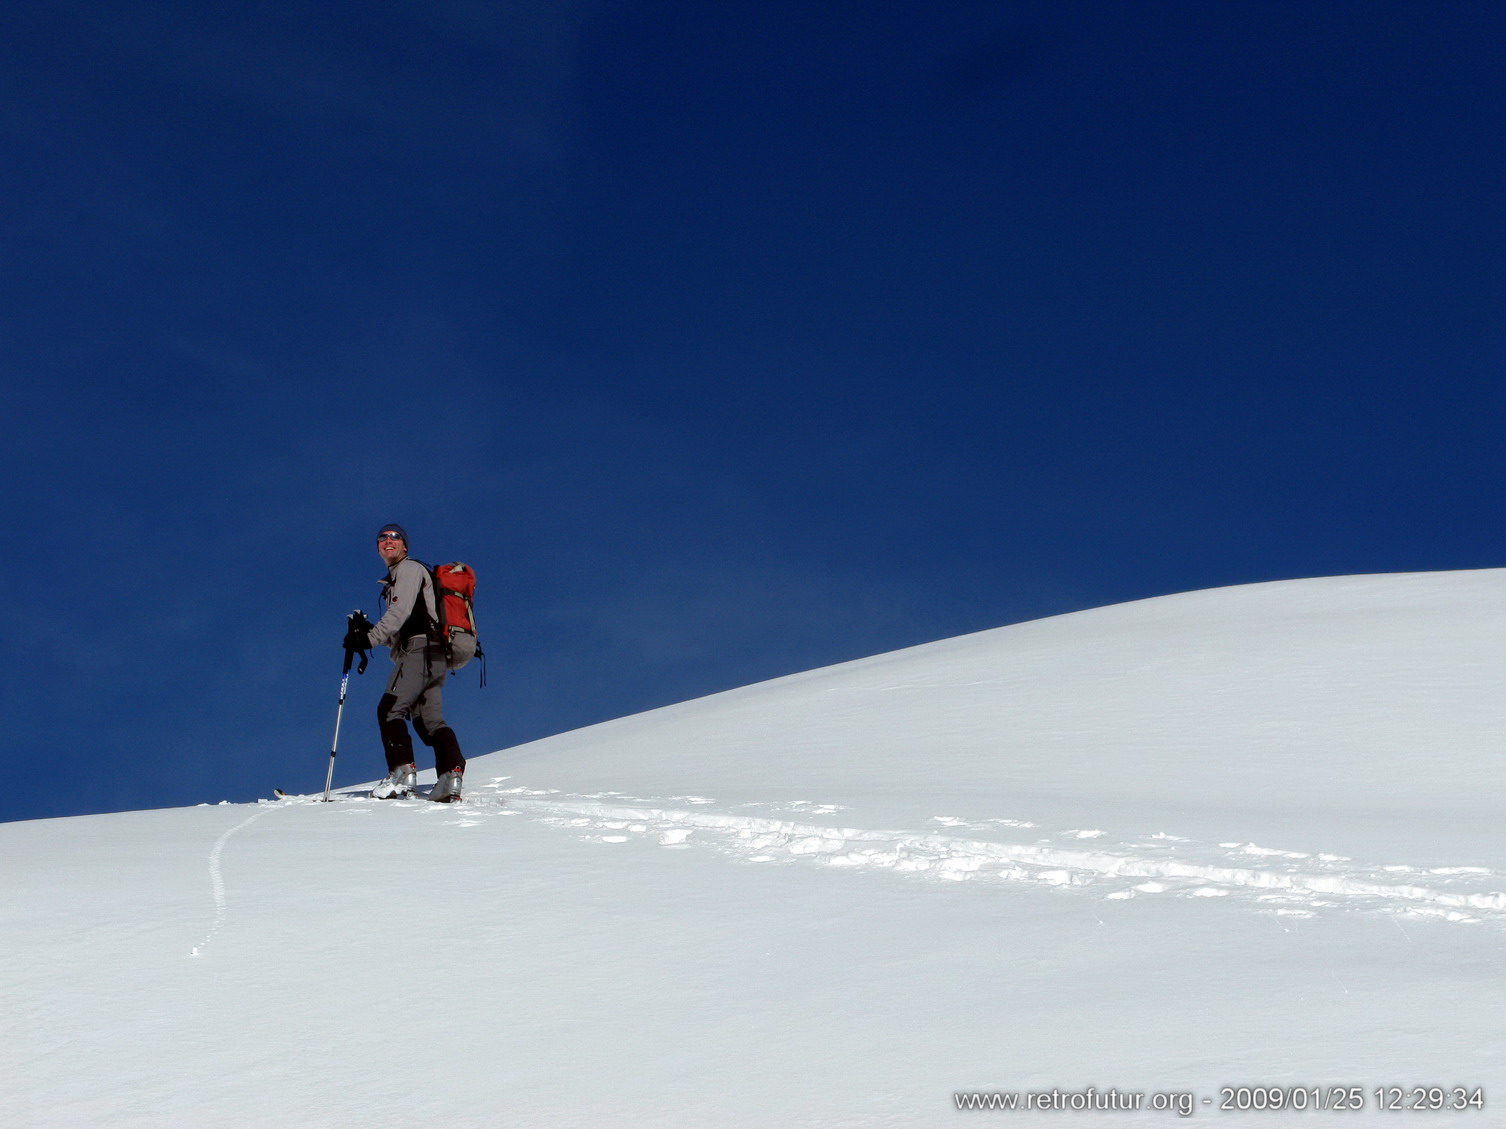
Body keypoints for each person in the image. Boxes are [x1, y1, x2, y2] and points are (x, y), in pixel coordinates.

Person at [344, 524, 467, 802]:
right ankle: (450, 777)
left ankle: (401, 775)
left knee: (390, 709)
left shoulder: (408, 570)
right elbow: (401, 630)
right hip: (433, 654)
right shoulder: (400, 576)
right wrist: (368, 633)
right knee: (429, 721)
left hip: (420, 651)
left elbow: (399, 613)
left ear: (405, 546)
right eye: (382, 538)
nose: (388, 540)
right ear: (378, 547)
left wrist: (369, 638)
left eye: (395, 537)